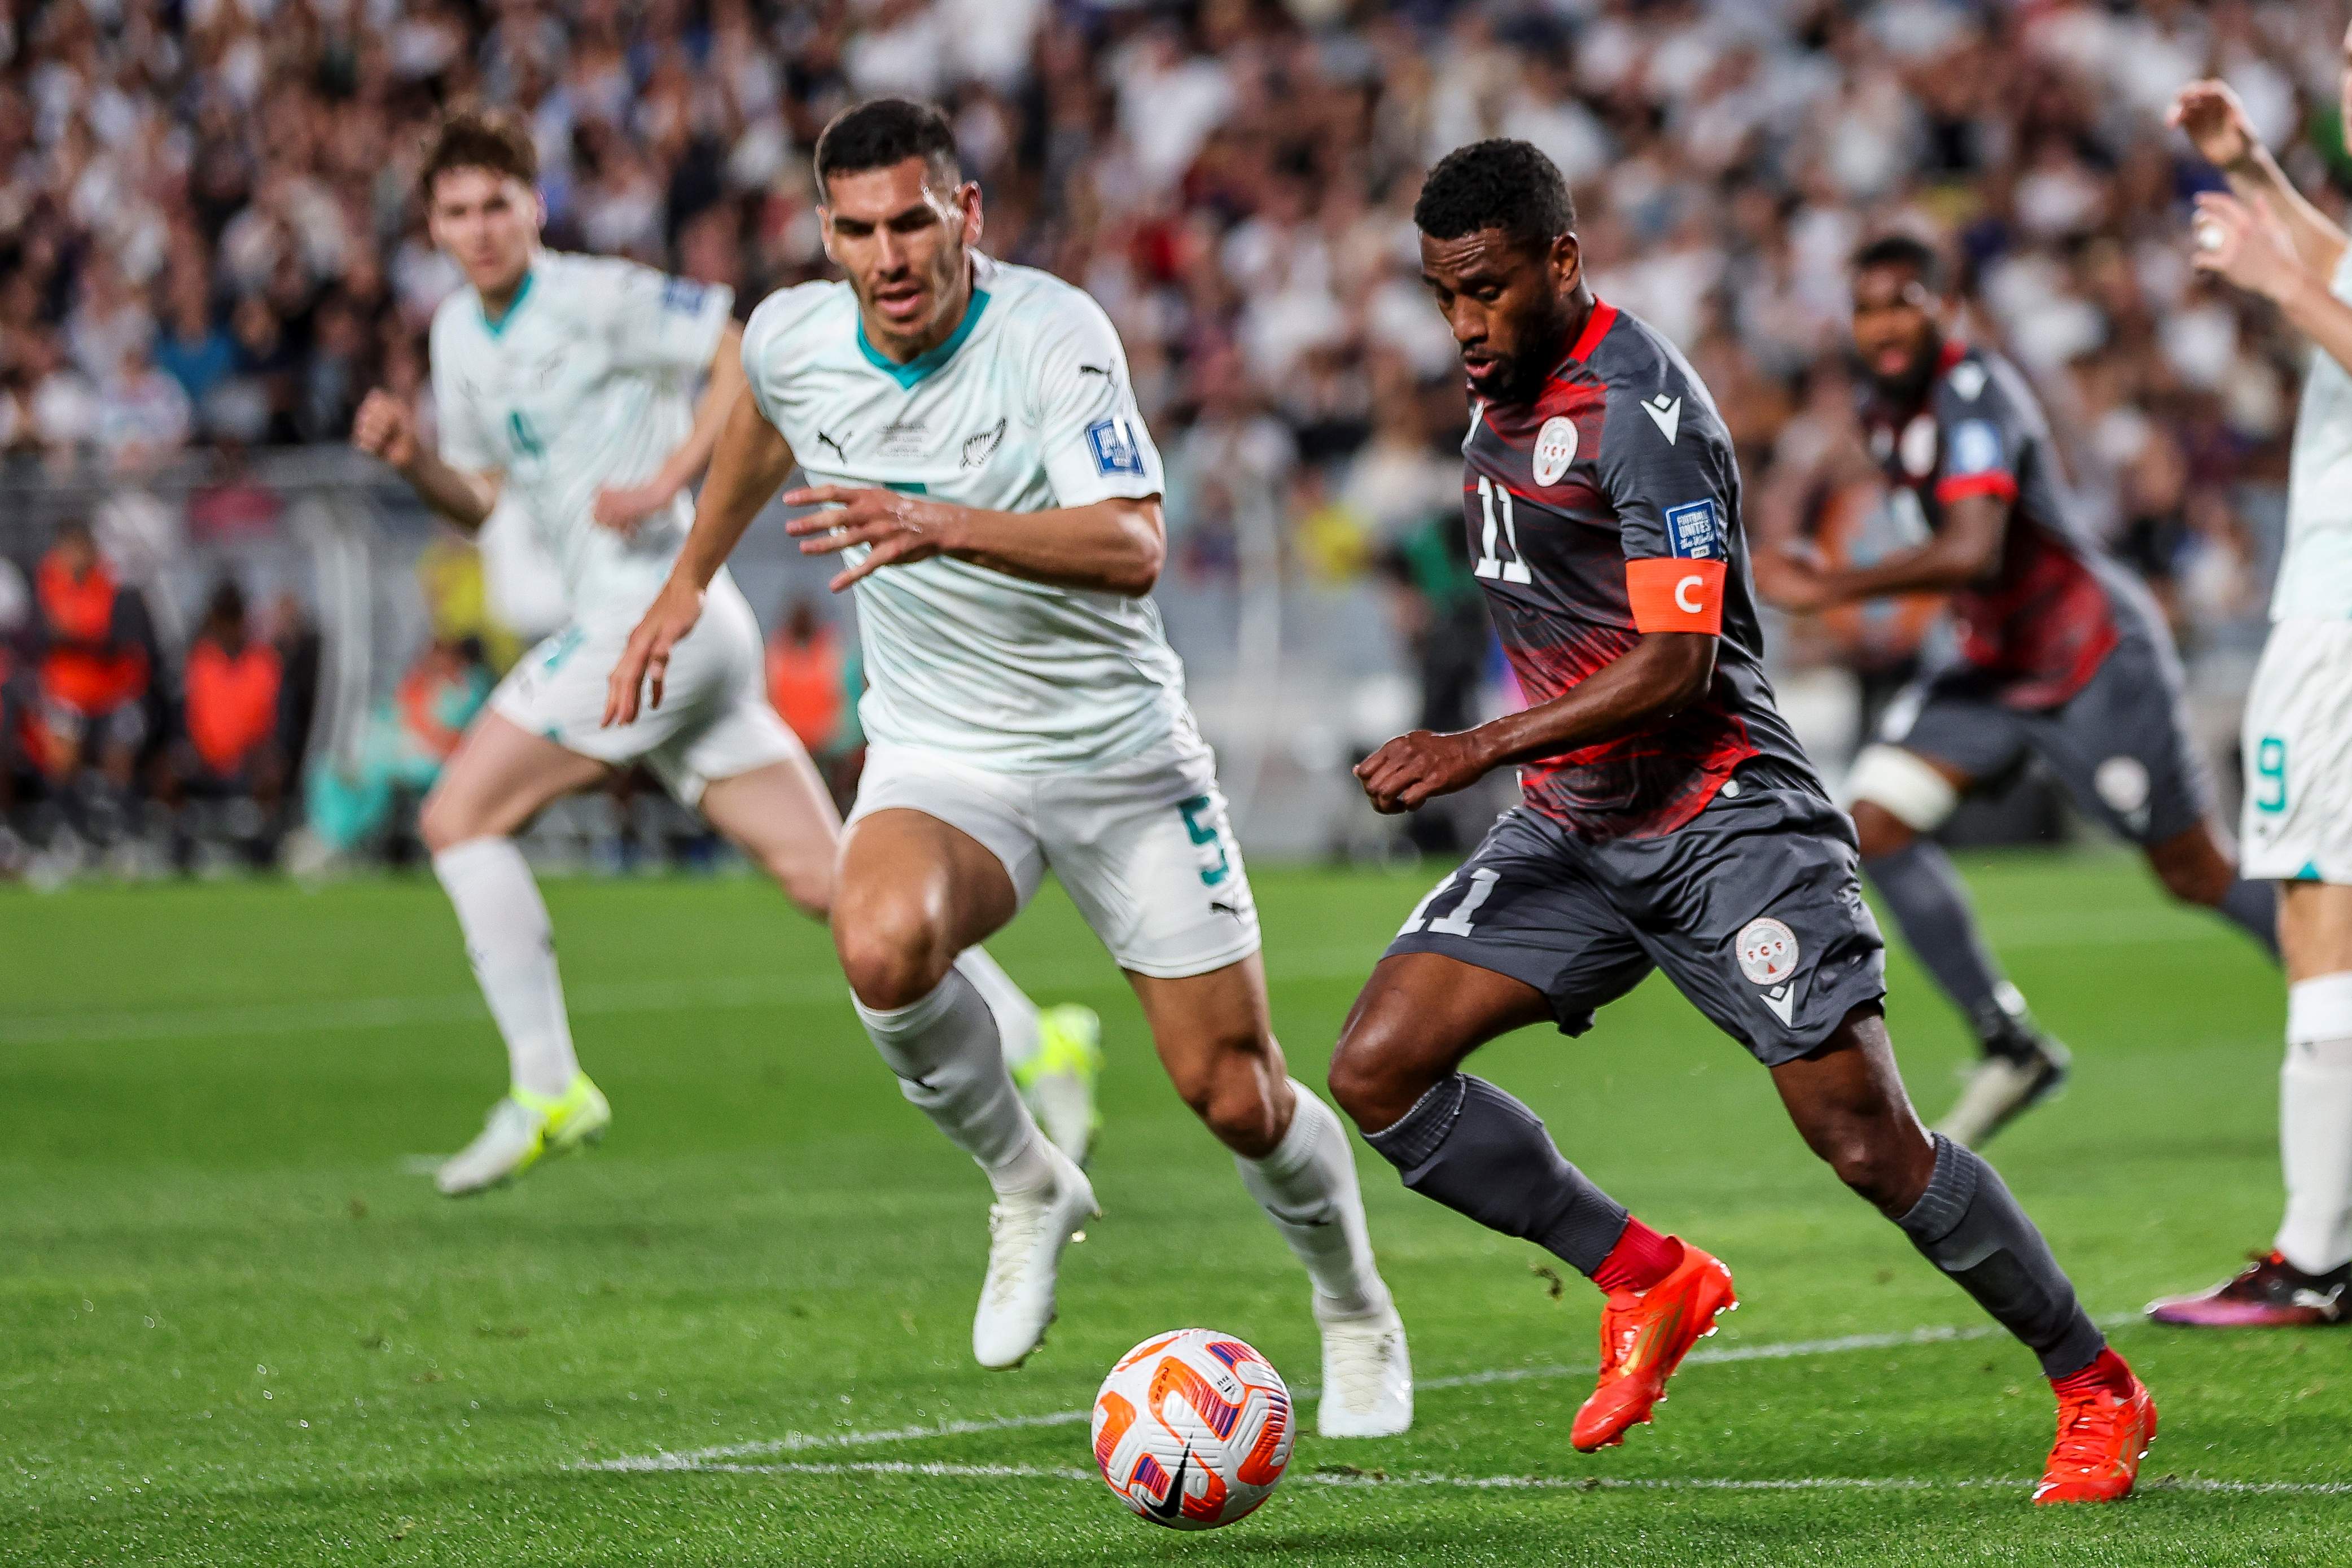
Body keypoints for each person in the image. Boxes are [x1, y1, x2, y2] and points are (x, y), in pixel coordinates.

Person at [1324, 138, 2152, 1503]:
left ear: (1560, 261)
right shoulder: (1498, 400)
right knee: (1376, 1069)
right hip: (1574, 829)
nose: (1462, 325)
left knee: (1866, 1141)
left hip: (1725, 822)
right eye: (1439, 297)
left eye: (1483, 291)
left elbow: (1676, 662)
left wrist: (1473, 744)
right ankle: (1647, 1276)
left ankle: (2092, 1384)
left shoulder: (1643, 408)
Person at [605, 98, 1411, 1435]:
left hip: (1117, 760)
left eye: (912, 220)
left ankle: (1351, 1304)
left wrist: (942, 524)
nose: (889, 255)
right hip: (945, 756)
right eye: (857, 231)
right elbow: (758, 403)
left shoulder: (1052, 334)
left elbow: (1132, 544)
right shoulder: (796, 333)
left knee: (1233, 1093)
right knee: (878, 943)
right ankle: (1029, 1181)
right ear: (827, 236)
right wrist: (686, 580)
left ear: (964, 214)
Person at [351, 106, 1079, 1198]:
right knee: (830, 879)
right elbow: (481, 500)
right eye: (455, 212)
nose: (479, 228)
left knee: (456, 817)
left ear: (532, 206)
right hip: (669, 633)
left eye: (497, 204)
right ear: (434, 227)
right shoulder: (457, 338)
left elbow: (741, 350)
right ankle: (1038, 1040)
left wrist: (665, 481)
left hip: (650, 615)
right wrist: (413, 461)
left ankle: (547, 1085)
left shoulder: (593, 296)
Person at [1759, 234, 2279, 1147]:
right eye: (1867, 306)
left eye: (1903, 300)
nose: (1882, 323)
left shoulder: (1974, 392)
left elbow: (1974, 549)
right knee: (1873, 823)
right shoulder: (1886, 408)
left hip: (2088, 656)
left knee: (2193, 870)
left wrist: (1829, 586)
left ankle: (2335, 989)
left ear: (1944, 308)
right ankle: (2012, 1044)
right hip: (1992, 663)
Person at [2147, 58, 2352, 1327]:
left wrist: (2272, 275)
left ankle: (2314, 1253)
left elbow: (2321, 285)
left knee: (2316, 906)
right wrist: (2251, 170)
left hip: (2336, 620)